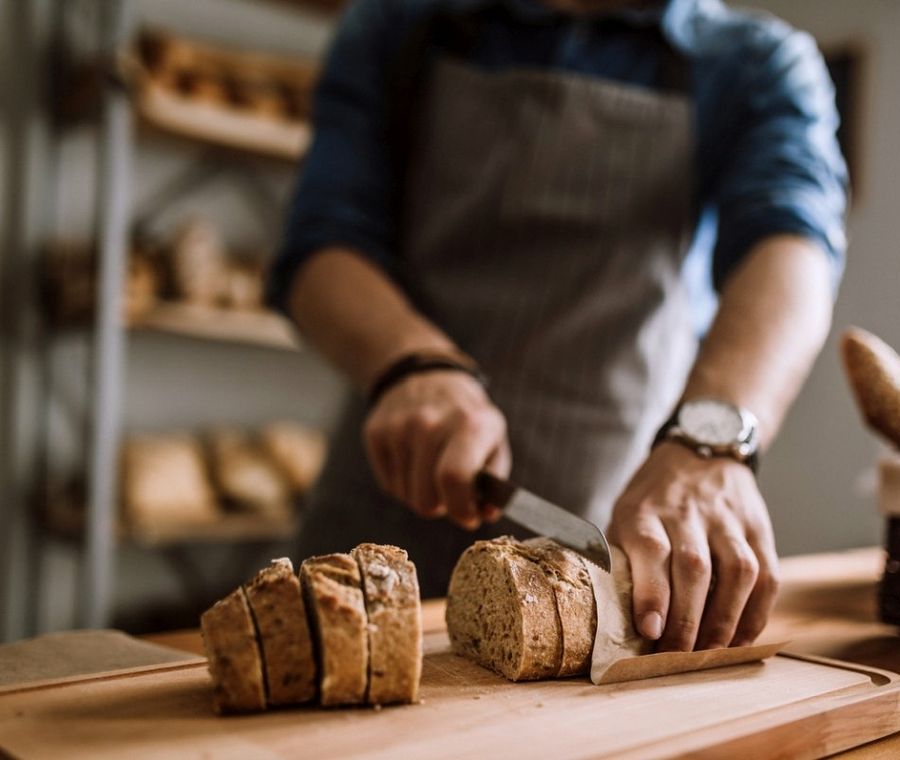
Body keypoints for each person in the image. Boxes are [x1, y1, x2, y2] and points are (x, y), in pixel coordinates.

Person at [268, 0, 847, 653]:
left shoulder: (754, 64)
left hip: (608, 524)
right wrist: (413, 364)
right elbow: (322, 245)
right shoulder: (397, 25)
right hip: (388, 490)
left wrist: (712, 440)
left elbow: (791, 251)